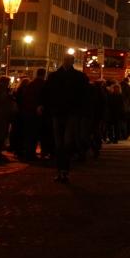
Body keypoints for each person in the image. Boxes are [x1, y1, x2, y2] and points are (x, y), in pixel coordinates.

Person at [43, 54, 89, 183]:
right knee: (63, 143)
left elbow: (47, 94)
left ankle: (62, 170)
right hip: (67, 113)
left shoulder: (54, 76)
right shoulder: (79, 77)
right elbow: (84, 96)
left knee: (63, 143)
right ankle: (63, 170)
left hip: (63, 113)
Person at [15, 68, 46, 160]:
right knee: (37, 134)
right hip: (38, 112)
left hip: (28, 112)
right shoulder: (44, 84)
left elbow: (25, 98)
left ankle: (29, 152)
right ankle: (35, 153)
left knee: (29, 134)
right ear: (44, 74)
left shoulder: (30, 84)